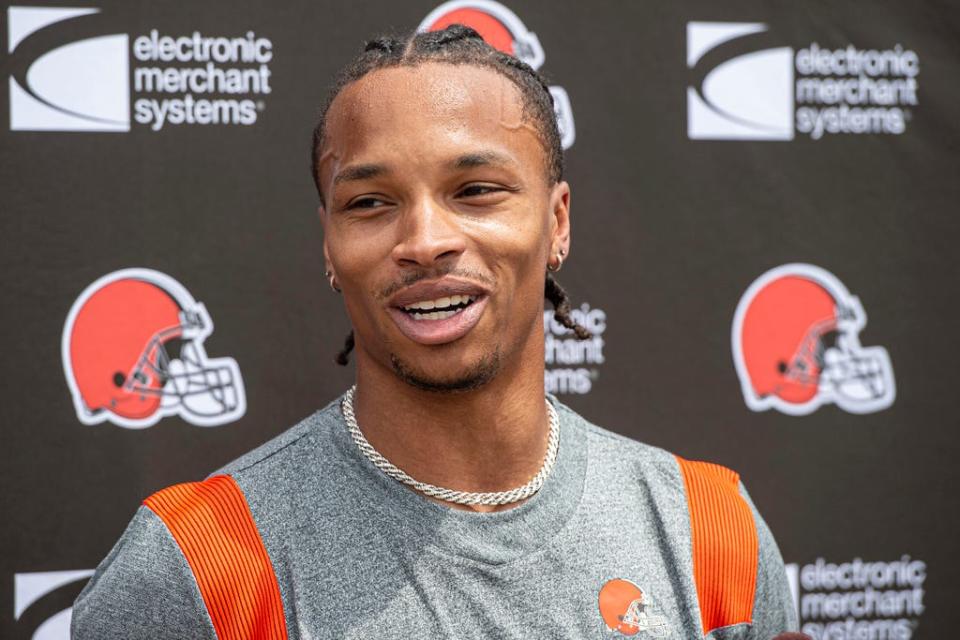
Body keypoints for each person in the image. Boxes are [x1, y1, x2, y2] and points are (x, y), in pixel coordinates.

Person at [72, 25, 797, 639]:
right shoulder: (198, 568)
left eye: (476, 190)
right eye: (371, 202)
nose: (424, 239)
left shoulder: (711, 532)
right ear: (329, 247)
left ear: (558, 222)